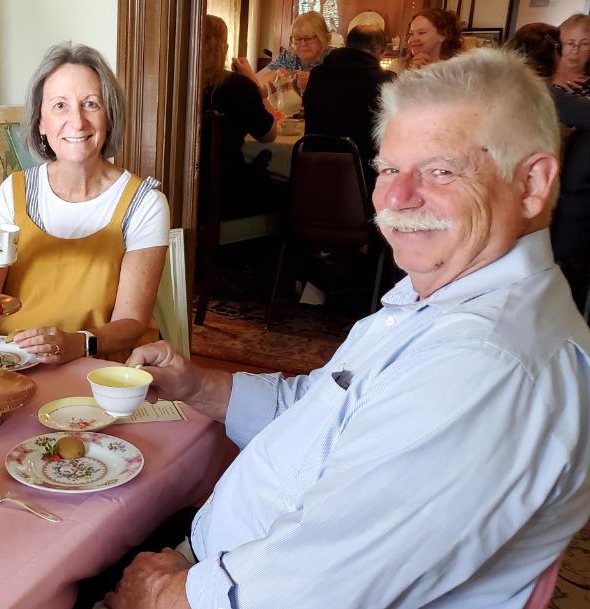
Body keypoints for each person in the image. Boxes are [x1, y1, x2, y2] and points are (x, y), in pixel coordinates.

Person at [106, 49, 590, 608]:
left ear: (531, 183)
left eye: (441, 170)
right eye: (387, 168)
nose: (395, 197)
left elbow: (309, 588)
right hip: (221, 564)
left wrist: (162, 595)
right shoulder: (436, 297)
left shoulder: (488, 363)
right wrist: (195, 386)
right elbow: (319, 406)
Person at [0, 43, 169, 363]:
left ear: (109, 115)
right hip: (15, 361)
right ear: (40, 122)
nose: (77, 121)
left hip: (98, 365)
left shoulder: (144, 204)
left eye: (90, 104)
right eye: (60, 106)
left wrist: (75, 344)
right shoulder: (14, 192)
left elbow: (131, 323)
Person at [506, 22, 590, 310]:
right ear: (555, 56)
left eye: (583, 43)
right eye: (570, 45)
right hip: (536, 214)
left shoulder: (501, 90)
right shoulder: (545, 97)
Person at [201, 15, 278, 220]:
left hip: (180, 191)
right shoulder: (237, 86)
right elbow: (269, 134)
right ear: (222, 47)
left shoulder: (175, 83)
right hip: (227, 192)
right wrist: (252, 81)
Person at [303, 24, 396, 183]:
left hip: (314, 174)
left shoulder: (317, 74)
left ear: (346, 45)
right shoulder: (386, 81)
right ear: (381, 54)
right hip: (364, 179)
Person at [237, 11, 331, 97]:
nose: (302, 44)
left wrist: (314, 83)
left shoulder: (334, 59)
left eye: (308, 38)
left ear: (324, 38)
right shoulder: (290, 56)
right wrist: (275, 75)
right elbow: (260, 79)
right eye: (297, 39)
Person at [555, 14, 590, 96]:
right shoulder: (538, 75)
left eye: (584, 44)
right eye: (570, 43)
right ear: (559, 45)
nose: (575, 51)